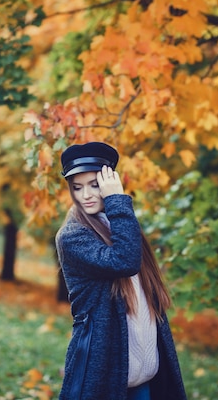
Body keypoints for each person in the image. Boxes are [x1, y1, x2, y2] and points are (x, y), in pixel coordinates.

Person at [55, 142, 188, 400]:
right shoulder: (72, 236)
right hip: (105, 373)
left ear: (108, 182)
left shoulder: (119, 225)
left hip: (144, 375)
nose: (86, 195)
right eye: (77, 187)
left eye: (95, 185)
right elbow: (125, 262)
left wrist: (116, 204)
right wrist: (116, 199)